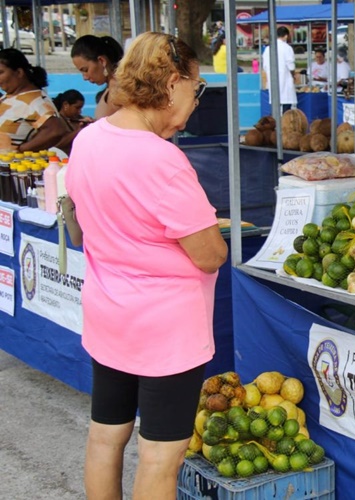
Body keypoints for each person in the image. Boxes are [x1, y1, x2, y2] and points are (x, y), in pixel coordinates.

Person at [65, 33, 228, 499]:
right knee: (160, 455)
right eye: (196, 88)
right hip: (164, 329)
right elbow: (210, 254)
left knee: (106, 435)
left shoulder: (89, 138)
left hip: (108, 313)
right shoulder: (162, 159)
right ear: (173, 83)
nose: (196, 101)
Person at [0, 48, 66, 152]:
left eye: (0, 72)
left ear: (19, 72)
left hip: (15, 162)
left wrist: (22, 149)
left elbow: (56, 130)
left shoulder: (37, 101)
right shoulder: (9, 96)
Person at [71, 35, 124, 119]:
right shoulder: (111, 87)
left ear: (102, 61)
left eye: (85, 70)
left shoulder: (117, 89)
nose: (85, 77)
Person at [262, 26, 297, 113]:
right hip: (285, 80)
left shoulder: (268, 49)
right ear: (286, 36)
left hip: (273, 80)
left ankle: (274, 120)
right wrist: (293, 76)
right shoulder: (287, 48)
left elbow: (265, 66)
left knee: (274, 106)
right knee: (286, 107)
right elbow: (291, 66)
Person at [52, 89, 93, 155]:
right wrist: (79, 130)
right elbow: (57, 145)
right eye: (77, 108)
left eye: (81, 108)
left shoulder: (81, 119)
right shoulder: (55, 121)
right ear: (65, 105)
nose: (80, 111)